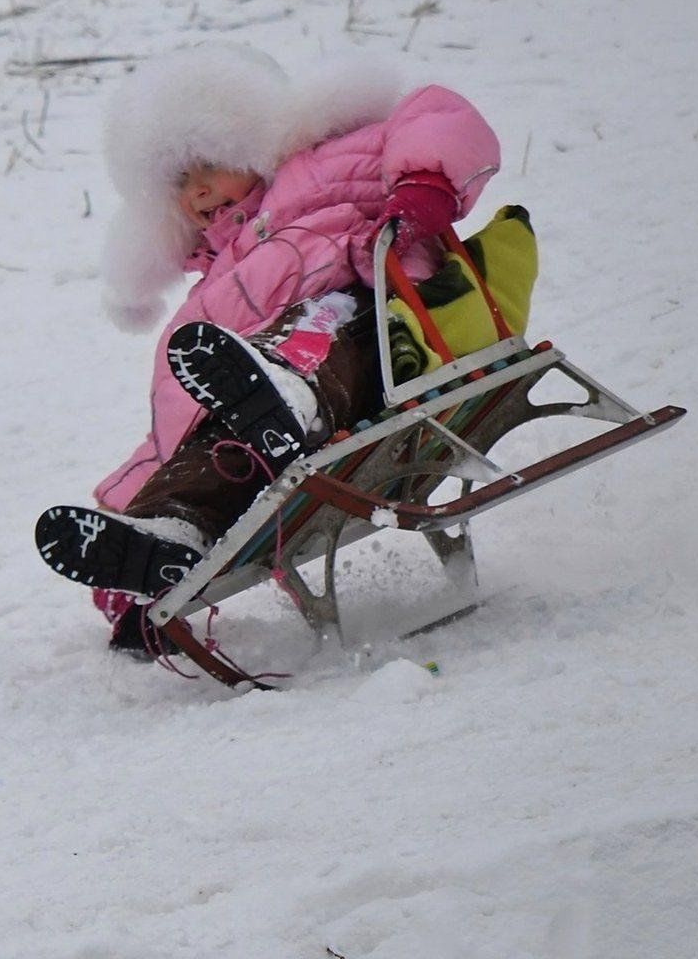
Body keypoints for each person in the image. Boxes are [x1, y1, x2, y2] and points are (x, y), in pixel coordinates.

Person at [33, 44, 500, 654]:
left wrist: (424, 182)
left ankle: (288, 394)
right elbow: (176, 428)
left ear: (255, 140)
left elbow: (436, 114)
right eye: (180, 181)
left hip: (369, 339)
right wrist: (132, 507)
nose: (199, 189)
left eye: (212, 163)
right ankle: (167, 538)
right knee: (216, 435)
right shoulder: (210, 293)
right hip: (262, 417)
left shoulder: (320, 167)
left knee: (313, 328)